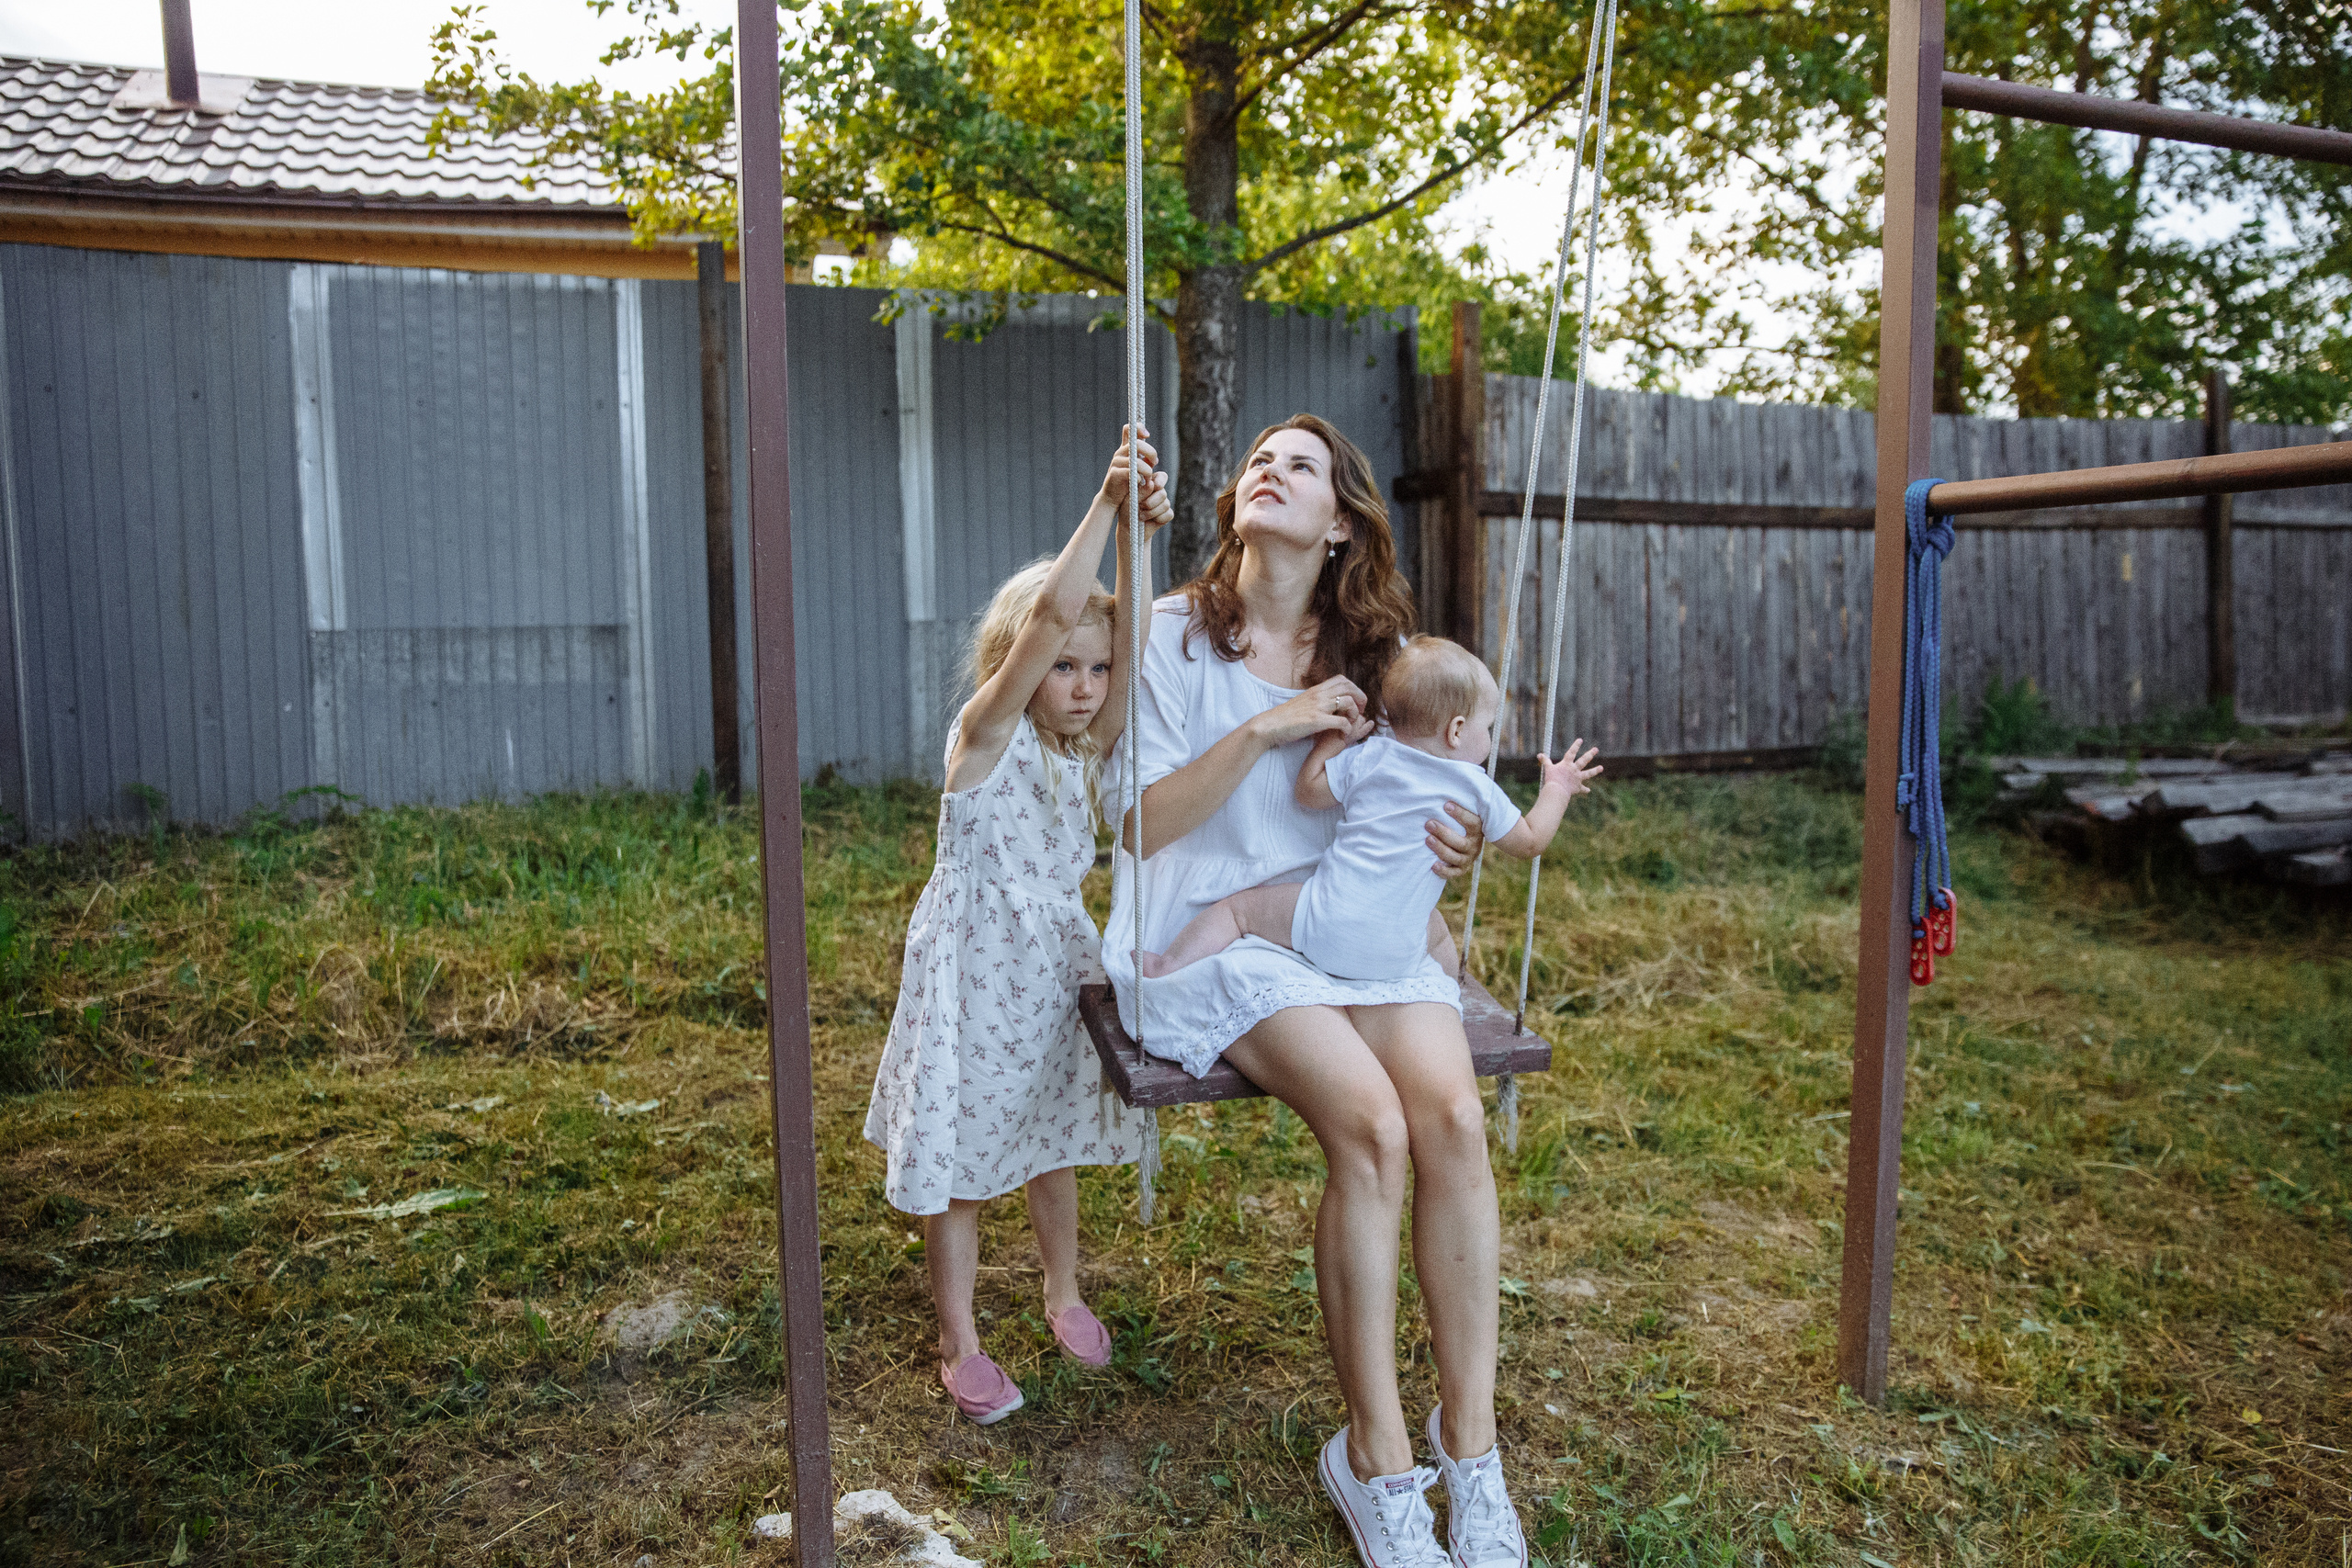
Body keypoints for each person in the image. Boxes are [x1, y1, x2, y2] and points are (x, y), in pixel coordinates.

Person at [1102, 415, 1533, 1568]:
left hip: (1349, 928)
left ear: (1339, 521)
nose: (1268, 470)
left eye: (1298, 464)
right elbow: (1140, 829)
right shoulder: (1166, 638)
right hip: (1210, 935)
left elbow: (1412, 801)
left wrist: (1445, 844)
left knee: (1451, 1122)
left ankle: (1472, 1450)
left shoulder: (1377, 661)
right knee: (1375, 1126)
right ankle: (1377, 1459)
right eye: (1256, 459)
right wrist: (1267, 728)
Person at [864, 430, 1170, 1426]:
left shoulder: (1083, 746)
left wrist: (1137, 542)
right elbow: (1048, 614)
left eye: (1095, 669)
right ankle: (959, 1336)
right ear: (1016, 666)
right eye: (1063, 667)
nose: (1082, 684)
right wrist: (1104, 498)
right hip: (972, 970)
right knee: (960, 1155)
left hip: (1049, 967)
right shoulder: (985, 736)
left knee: (1050, 1139)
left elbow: (1143, 657)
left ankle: (1061, 1289)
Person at [1136, 636, 1602, 981]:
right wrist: (1557, 787)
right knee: (1437, 935)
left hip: (1324, 926)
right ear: (1457, 731)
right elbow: (1531, 841)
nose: (1491, 738)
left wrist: (1334, 741)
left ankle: (1169, 962)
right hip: (1393, 953)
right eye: (1490, 726)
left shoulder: (1372, 756)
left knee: (1238, 912)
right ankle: (1448, 993)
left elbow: (1309, 792)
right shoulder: (1474, 787)